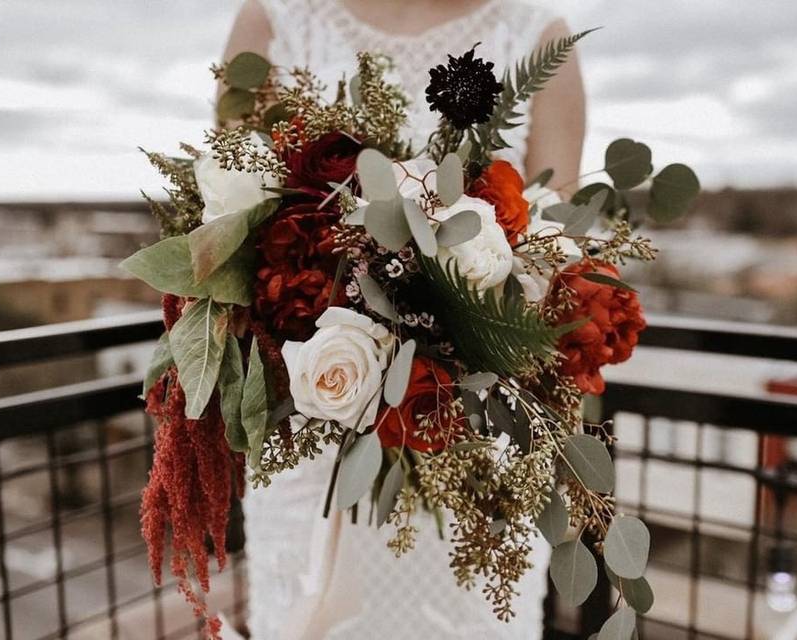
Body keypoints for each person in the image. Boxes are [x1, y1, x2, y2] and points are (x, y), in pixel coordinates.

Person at [218, 1, 585, 638]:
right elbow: (230, 224)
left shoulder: (538, 36)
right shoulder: (272, 21)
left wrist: (455, 311)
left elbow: (555, 254)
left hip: (467, 430)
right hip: (310, 422)